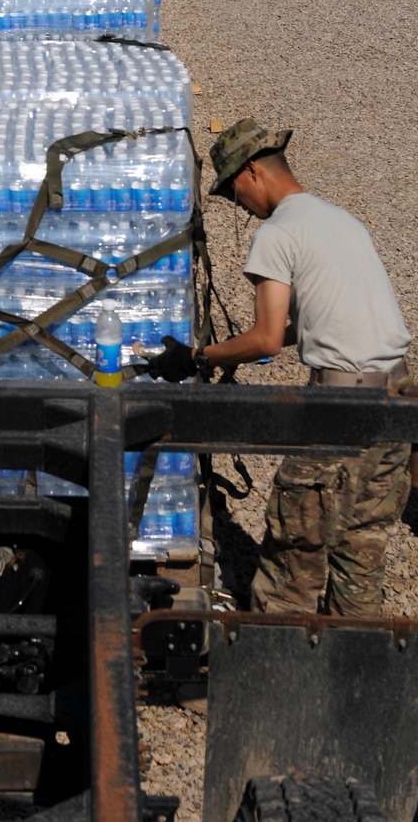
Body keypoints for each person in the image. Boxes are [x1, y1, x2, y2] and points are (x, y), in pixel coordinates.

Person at [147, 117, 412, 618]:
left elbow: (267, 338)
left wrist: (196, 356)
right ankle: (355, 674)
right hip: (397, 397)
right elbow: (313, 319)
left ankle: (275, 675)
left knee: (296, 551)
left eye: (233, 193)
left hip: (343, 408)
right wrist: (235, 346)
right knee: (361, 548)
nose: (240, 205)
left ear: (252, 173)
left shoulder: (279, 233)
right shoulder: (339, 220)